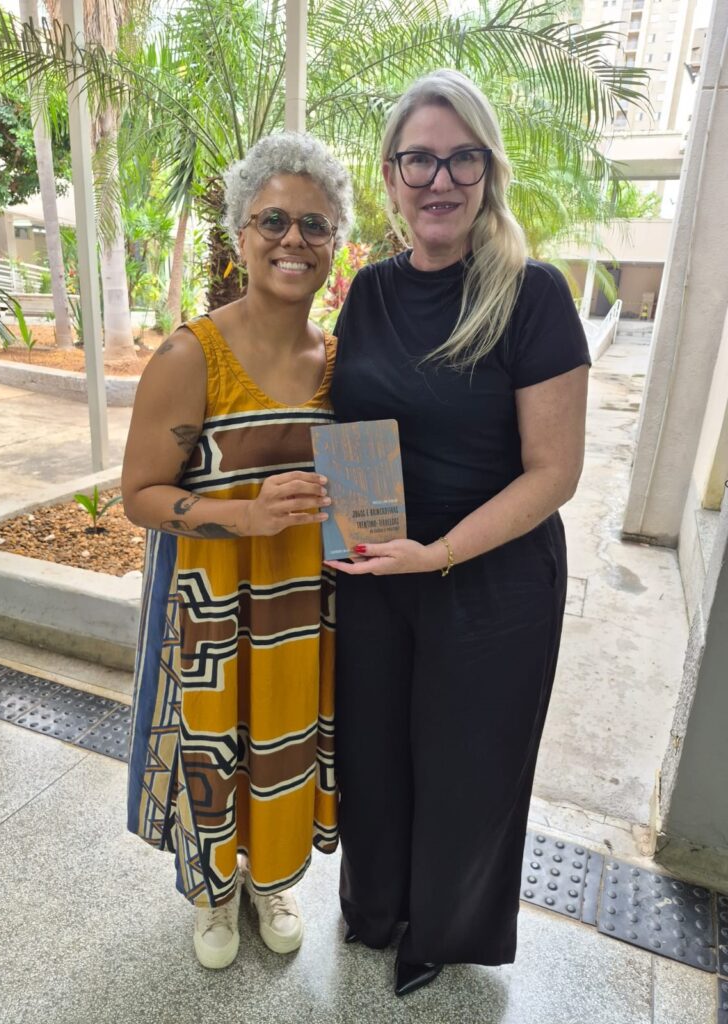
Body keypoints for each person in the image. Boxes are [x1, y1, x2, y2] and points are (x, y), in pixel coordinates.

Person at [326, 69, 591, 997]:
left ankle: (439, 928)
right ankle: (376, 904)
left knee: (465, 769)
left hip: (490, 583)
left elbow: (554, 472)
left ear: (487, 170)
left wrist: (437, 554)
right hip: (376, 573)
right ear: (391, 176)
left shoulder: (532, 295)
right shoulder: (367, 290)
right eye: (419, 160)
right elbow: (350, 419)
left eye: (460, 158)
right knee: (373, 752)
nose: (440, 179)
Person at [122, 133, 353, 970]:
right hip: (215, 610)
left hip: (304, 611)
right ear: (240, 232)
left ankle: (268, 880)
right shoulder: (192, 356)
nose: (294, 239)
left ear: (336, 242)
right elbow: (140, 495)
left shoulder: (341, 360)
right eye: (274, 220)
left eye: (315, 225)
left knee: (285, 742)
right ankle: (214, 892)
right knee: (217, 750)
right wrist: (246, 515)